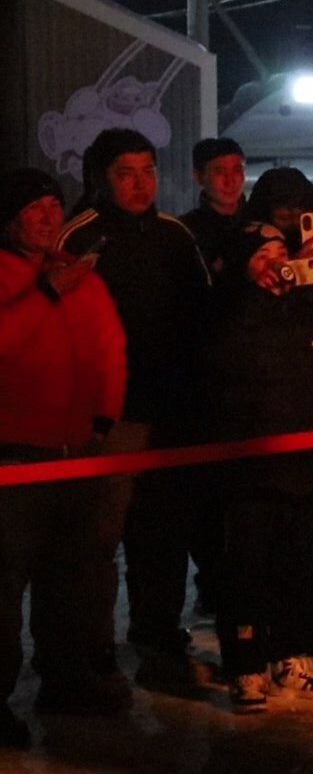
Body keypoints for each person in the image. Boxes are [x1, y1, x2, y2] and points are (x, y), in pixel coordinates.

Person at [55, 128, 208, 701]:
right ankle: (91, 650)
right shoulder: (79, 235)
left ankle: (158, 637)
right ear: (102, 179)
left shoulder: (174, 235)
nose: (141, 185)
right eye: (126, 173)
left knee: (163, 533)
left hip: (169, 412)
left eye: (148, 172)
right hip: (107, 418)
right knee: (98, 539)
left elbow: (201, 313)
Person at [0, 168, 128, 741]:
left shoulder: (81, 275)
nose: (50, 216)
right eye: (36, 207)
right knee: (5, 583)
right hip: (12, 454)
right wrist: (47, 291)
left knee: (70, 577)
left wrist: (103, 419)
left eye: (55, 205)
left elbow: (109, 348)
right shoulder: (18, 276)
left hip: (76, 451)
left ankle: (67, 677)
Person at [204, 223, 313, 712]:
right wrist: (255, 292)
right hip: (249, 469)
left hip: (304, 462)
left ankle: (290, 655)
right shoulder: (230, 308)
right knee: (246, 569)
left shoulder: (307, 307)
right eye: (262, 256)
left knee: (297, 565)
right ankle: (246, 665)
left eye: (282, 252)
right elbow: (224, 356)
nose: (276, 263)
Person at [179, 138, 248, 273]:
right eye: (220, 171)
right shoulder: (185, 231)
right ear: (199, 177)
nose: (230, 181)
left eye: (237, 170)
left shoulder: (260, 221)